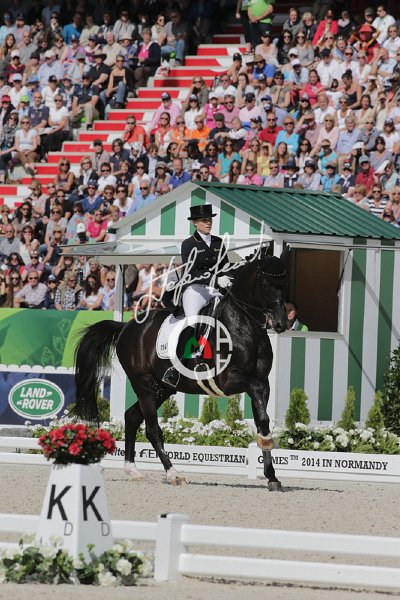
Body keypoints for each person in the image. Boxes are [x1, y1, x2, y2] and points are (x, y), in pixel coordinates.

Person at [161, 203, 232, 389]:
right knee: (193, 322)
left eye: (210, 220)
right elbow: (191, 272)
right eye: (204, 220)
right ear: (195, 223)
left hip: (215, 289)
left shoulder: (218, 242)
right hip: (196, 290)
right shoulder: (189, 244)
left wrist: (229, 278)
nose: (208, 223)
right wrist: (216, 279)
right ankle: (177, 367)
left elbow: (226, 266)